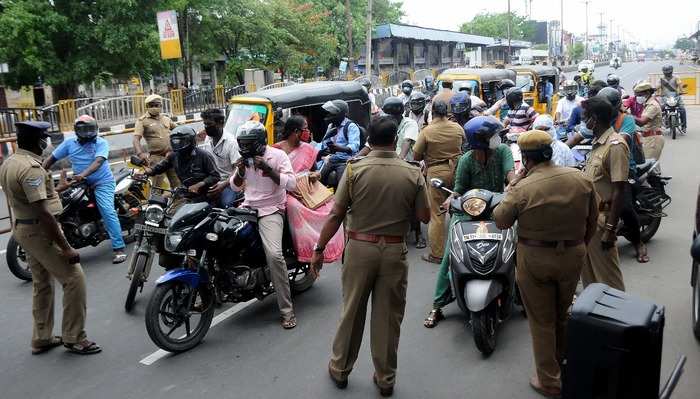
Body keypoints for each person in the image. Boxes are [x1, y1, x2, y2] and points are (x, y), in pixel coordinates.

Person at [309, 115, 430, 397]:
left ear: (369, 140)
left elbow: (336, 214)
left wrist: (319, 249)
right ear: (394, 140)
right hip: (394, 250)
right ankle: (386, 378)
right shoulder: (412, 173)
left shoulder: (353, 170)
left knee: (351, 310)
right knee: (388, 317)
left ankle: (340, 370)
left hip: (359, 248)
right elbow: (424, 216)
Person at [493, 130, 598, 398]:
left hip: (535, 259)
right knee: (562, 314)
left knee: (542, 321)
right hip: (573, 254)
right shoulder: (580, 178)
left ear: (526, 160)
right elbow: (592, 222)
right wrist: (578, 246)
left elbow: (501, 220)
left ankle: (549, 380)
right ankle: (561, 363)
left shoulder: (522, 188)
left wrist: (514, 183)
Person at [0, 121, 101, 355]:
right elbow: (43, 212)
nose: (47, 142)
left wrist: (60, 188)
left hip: (24, 230)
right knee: (74, 278)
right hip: (40, 231)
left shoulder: (11, 162)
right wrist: (65, 248)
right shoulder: (31, 168)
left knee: (42, 284)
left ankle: (42, 337)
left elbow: (31, 198)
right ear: (38, 141)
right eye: (45, 137)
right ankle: (74, 337)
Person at [423, 116, 515, 328]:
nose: (497, 138)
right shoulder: (465, 160)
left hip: (497, 208)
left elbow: (511, 175)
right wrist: (450, 199)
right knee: (450, 255)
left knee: (515, 243)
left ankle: (519, 291)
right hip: (468, 211)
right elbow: (458, 189)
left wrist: (513, 185)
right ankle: (437, 305)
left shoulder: (503, 152)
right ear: (481, 139)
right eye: (493, 135)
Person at [232, 121, 298, 329]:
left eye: (248, 143)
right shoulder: (244, 160)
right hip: (247, 206)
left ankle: (287, 311)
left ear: (260, 142)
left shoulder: (277, 156)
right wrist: (241, 171)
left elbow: (292, 184)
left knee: (275, 256)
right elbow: (234, 187)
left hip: (271, 209)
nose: (244, 147)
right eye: (242, 143)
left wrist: (268, 169)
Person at [43, 115, 127, 263]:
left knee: (107, 211)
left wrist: (83, 174)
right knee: (64, 205)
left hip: (102, 182)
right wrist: (40, 171)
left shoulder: (101, 142)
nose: (88, 133)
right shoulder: (69, 143)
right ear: (76, 130)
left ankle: (118, 248)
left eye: (90, 129)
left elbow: (99, 161)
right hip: (79, 182)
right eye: (84, 130)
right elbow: (52, 159)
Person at [273, 116, 344, 264]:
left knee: (330, 205)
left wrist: (315, 175)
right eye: (305, 129)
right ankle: (304, 249)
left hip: (307, 188)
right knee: (294, 207)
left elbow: (313, 170)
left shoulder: (308, 149)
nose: (308, 132)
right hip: (285, 190)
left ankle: (321, 246)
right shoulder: (276, 150)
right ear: (296, 131)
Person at [581, 96, 628, 291]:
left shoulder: (615, 146)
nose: (584, 120)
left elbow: (619, 189)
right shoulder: (597, 144)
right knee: (590, 280)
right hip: (588, 220)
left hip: (602, 221)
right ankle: (596, 320)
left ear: (595, 118)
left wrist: (610, 229)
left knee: (609, 281)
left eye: (586, 117)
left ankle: (620, 318)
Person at [364, 96, 426, 248]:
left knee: (411, 199)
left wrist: (399, 160)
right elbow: (368, 145)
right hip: (385, 163)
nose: (393, 118)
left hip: (407, 165)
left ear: (402, 113)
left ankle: (419, 234)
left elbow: (406, 142)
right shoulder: (383, 124)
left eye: (395, 115)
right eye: (390, 114)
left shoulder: (410, 123)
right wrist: (356, 158)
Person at [598, 87, 649, 263]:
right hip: (602, 167)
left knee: (624, 206)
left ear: (616, 105)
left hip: (626, 168)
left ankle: (638, 242)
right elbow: (578, 135)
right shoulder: (598, 119)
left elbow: (622, 139)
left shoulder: (625, 119)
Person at [413, 99, 464, 264]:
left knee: (437, 215)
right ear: (447, 112)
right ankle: (462, 250)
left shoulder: (427, 131)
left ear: (432, 112)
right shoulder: (457, 128)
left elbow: (416, 156)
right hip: (457, 170)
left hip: (436, 173)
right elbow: (464, 144)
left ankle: (437, 254)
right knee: (458, 211)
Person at [141, 126, 221, 202]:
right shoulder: (174, 156)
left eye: (181, 141)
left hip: (206, 195)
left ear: (190, 140)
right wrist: (148, 171)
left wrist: (199, 184)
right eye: (175, 141)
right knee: (160, 204)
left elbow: (215, 176)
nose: (177, 144)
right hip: (185, 194)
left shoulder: (203, 155)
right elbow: (160, 167)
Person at [132, 94, 180, 189]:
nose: (155, 107)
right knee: (157, 187)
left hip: (170, 156)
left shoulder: (166, 118)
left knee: (177, 184)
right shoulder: (142, 121)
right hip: (156, 158)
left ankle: (179, 203)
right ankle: (156, 204)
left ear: (160, 106)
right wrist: (140, 154)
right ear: (147, 107)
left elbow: (179, 130)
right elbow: (136, 139)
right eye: (152, 105)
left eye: (157, 105)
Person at [200, 108, 241, 208]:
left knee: (225, 204)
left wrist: (222, 186)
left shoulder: (231, 142)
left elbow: (238, 168)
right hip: (211, 181)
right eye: (205, 124)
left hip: (228, 184)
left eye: (209, 124)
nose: (206, 127)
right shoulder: (207, 139)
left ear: (220, 123)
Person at [318, 100, 361, 188]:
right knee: (318, 180)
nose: (329, 116)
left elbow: (354, 146)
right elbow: (325, 143)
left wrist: (340, 148)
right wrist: (326, 148)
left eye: (332, 114)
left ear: (341, 114)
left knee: (342, 185)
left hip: (345, 161)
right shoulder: (331, 126)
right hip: (331, 159)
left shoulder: (351, 126)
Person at [632, 81, 664, 161]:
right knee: (652, 166)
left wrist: (627, 115)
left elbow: (642, 122)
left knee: (648, 165)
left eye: (639, 95)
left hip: (653, 139)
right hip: (648, 138)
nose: (637, 98)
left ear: (647, 92)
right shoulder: (647, 104)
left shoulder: (653, 105)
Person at [657, 64, 687, 133]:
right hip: (664, 97)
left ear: (672, 71)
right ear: (663, 72)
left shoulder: (676, 78)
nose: (667, 73)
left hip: (676, 97)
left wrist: (682, 91)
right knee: (658, 111)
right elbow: (658, 86)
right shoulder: (661, 79)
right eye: (666, 72)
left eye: (669, 72)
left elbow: (680, 85)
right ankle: (658, 127)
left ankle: (684, 126)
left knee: (682, 109)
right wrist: (656, 91)